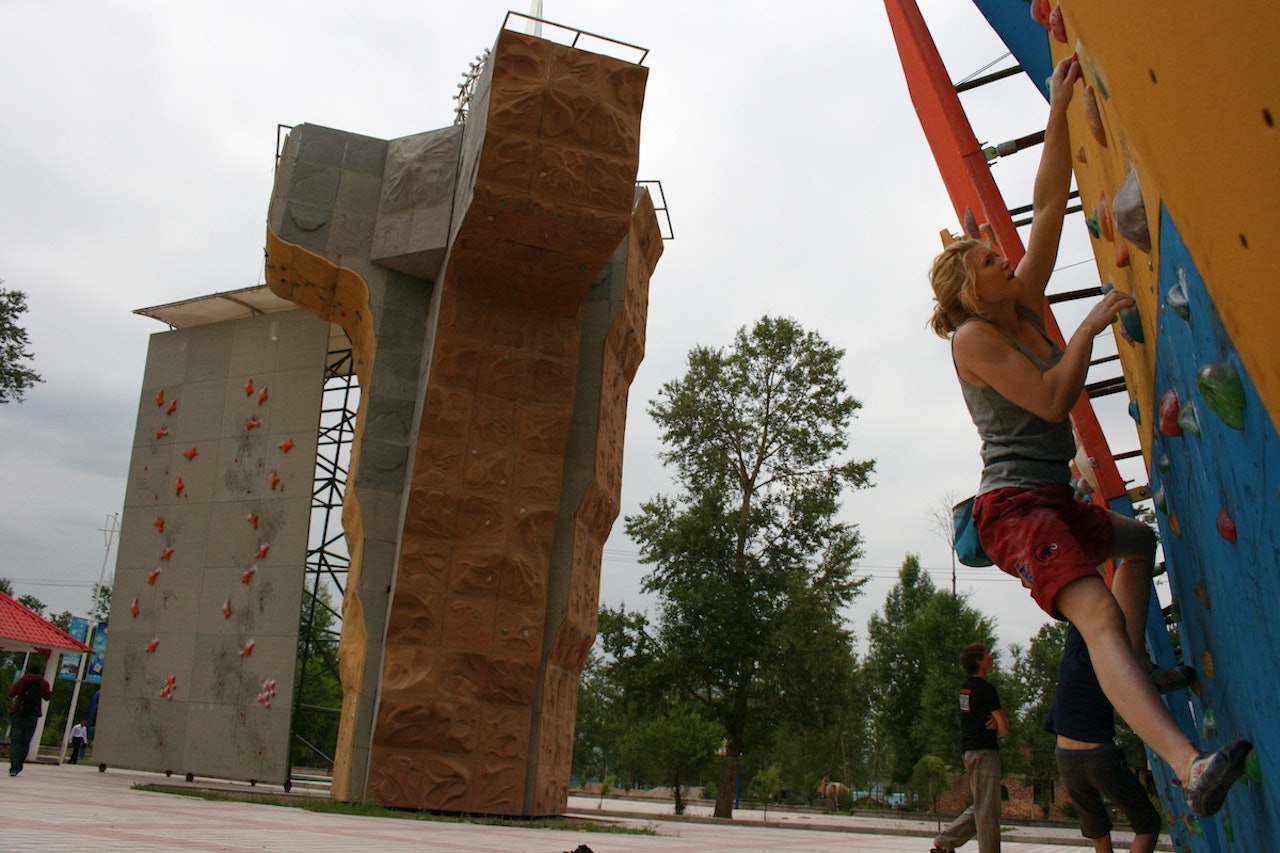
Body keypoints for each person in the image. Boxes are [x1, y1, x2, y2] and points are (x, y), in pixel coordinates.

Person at [927, 53, 1251, 818]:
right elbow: (1047, 399)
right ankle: (1186, 765)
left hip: (1052, 498)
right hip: (1016, 512)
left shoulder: (1026, 302)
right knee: (1096, 614)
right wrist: (1093, 328)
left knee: (1134, 545)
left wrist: (1059, 110)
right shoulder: (972, 338)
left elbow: (1044, 208)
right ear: (970, 287)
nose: (1005, 258)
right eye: (988, 260)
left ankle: (1127, 666)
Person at [1047, 624, 1161, 853]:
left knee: (1097, 829)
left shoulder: (1071, 657)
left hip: (1065, 758)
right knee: (1148, 825)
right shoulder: (1109, 660)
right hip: (1099, 756)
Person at [932, 642, 1008, 853]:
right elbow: (1004, 728)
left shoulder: (965, 688)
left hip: (969, 751)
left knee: (982, 805)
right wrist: (996, 724)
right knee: (988, 811)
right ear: (979, 660)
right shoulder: (986, 688)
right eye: (987, 654)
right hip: (985, 752)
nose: (991, 656)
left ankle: (946, 841)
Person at [7, 664, 53, 776]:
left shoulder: (22, 680)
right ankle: (18, 766)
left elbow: (11, 694)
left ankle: (13, 767)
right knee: (26, 741)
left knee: (16, 741)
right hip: (32, 716)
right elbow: (47, 697)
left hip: (18, 714)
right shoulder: (43, 683)